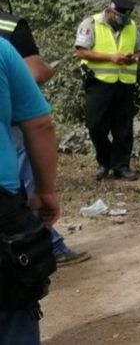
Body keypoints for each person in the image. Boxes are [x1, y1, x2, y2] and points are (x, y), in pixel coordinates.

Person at [0, 0, 86, 266]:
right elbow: (35, 77)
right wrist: (48, 69)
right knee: (26, 188)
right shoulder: (9, 28)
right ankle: (48, 244)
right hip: (10, 127)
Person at [0, 37, 60, 345]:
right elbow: (39, 125)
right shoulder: (2, 49)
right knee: (11, 306)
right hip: (3, 209)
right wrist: (45, 190)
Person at [75, 0, 140, 181]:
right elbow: (81, 51)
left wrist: (134, 57)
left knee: (123, 128)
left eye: (127, 17)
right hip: (99, 83)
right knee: (95, 126)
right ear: (110, 11)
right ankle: (104, 162)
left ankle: (122, 166)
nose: (124, 21)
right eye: (120, 17)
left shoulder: (131, 25)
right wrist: (111, 58)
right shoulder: (91, 23)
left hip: (124, 83)